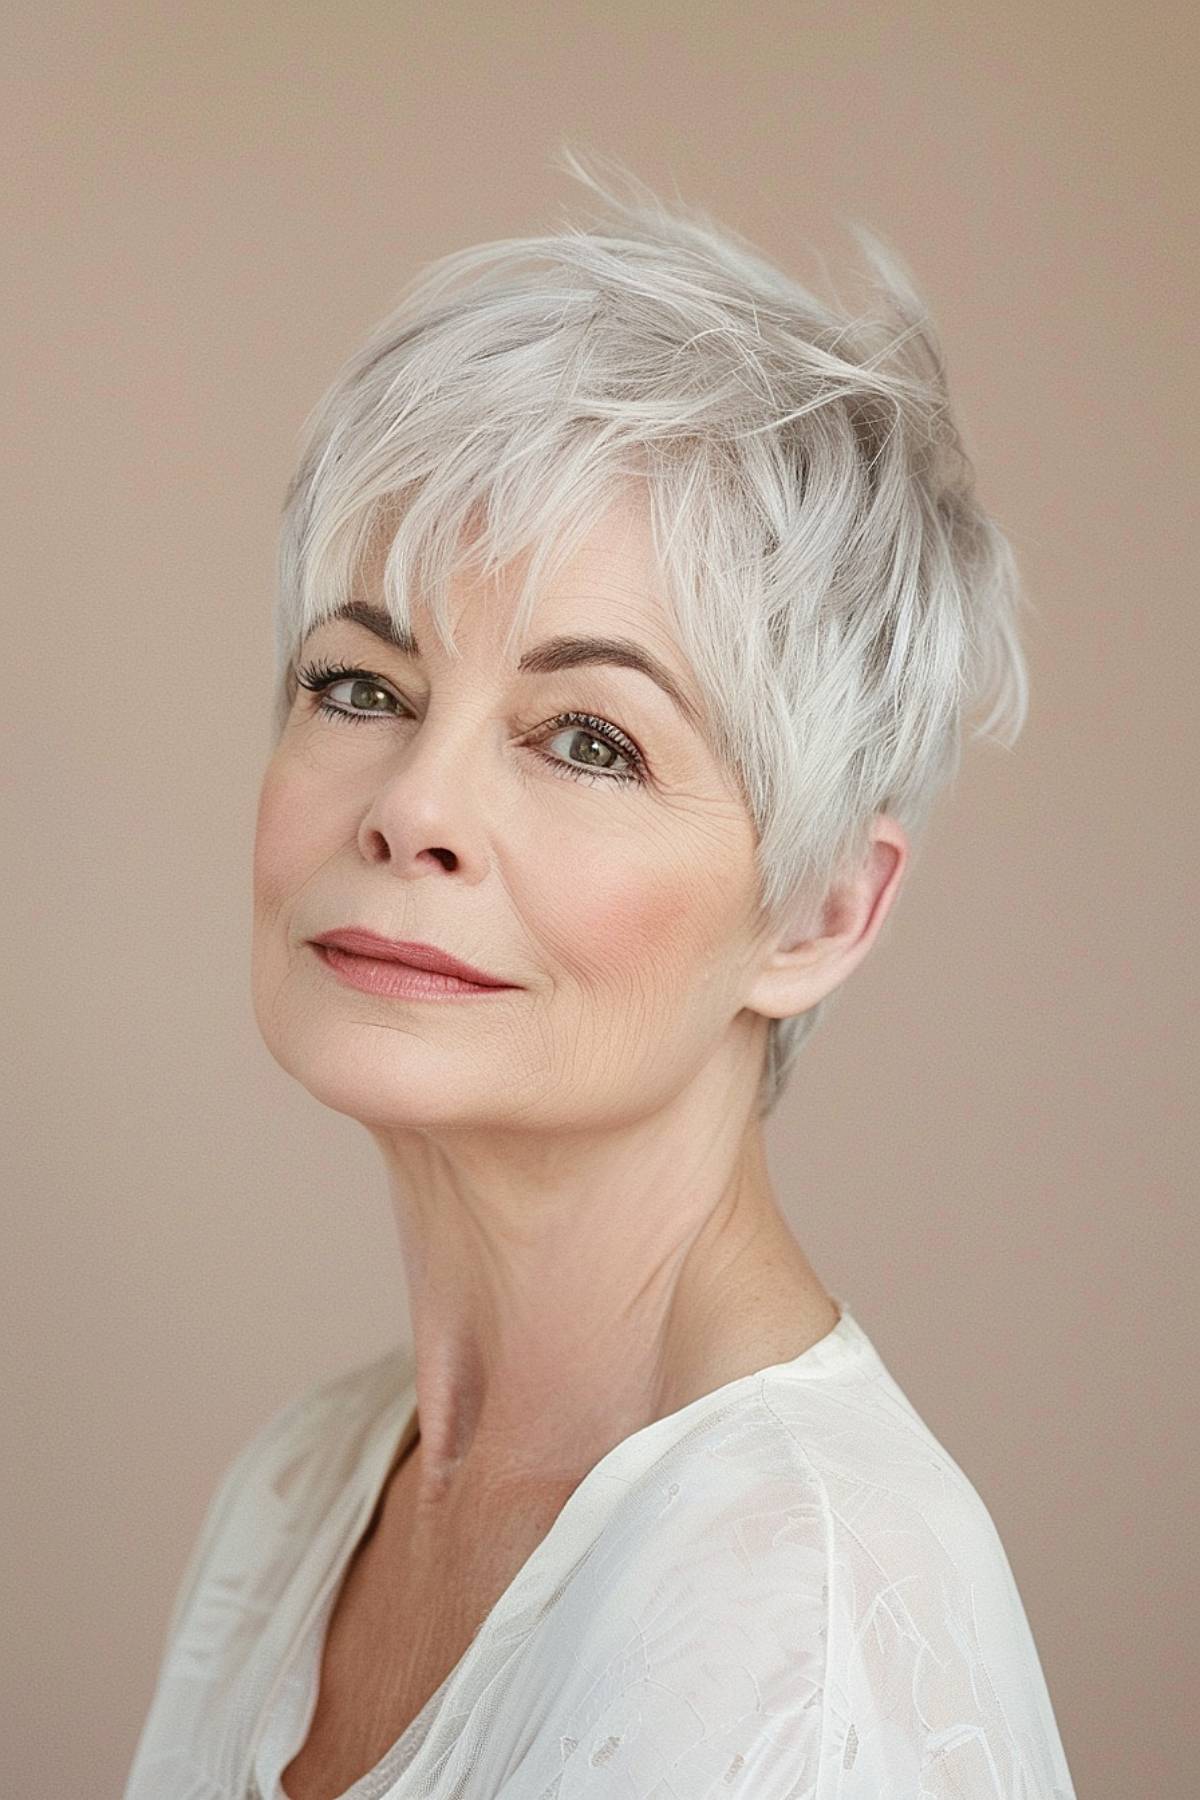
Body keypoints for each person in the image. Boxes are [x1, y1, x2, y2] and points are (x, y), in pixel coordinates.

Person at [123, 156, 1077, 1798]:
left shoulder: (801, 1626)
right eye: (360, 684)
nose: (414, 806)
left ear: (821, 915)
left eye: (589, 738)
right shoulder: (298, 1496)